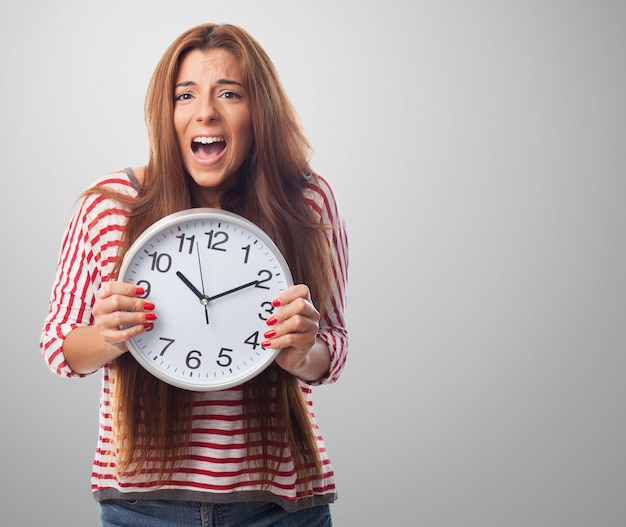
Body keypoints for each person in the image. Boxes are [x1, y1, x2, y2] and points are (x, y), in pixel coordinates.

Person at [40, 23, 348, 527]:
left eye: (230, 93)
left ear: (259, 111)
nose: (205, 111)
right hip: (142, 505)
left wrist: (303, 352)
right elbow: (59, 347)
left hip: (280, 504)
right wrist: (107, 336)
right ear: (168, 113)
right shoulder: (109, 205)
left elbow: (333, 346)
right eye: (185, 95)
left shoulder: (306, 201)